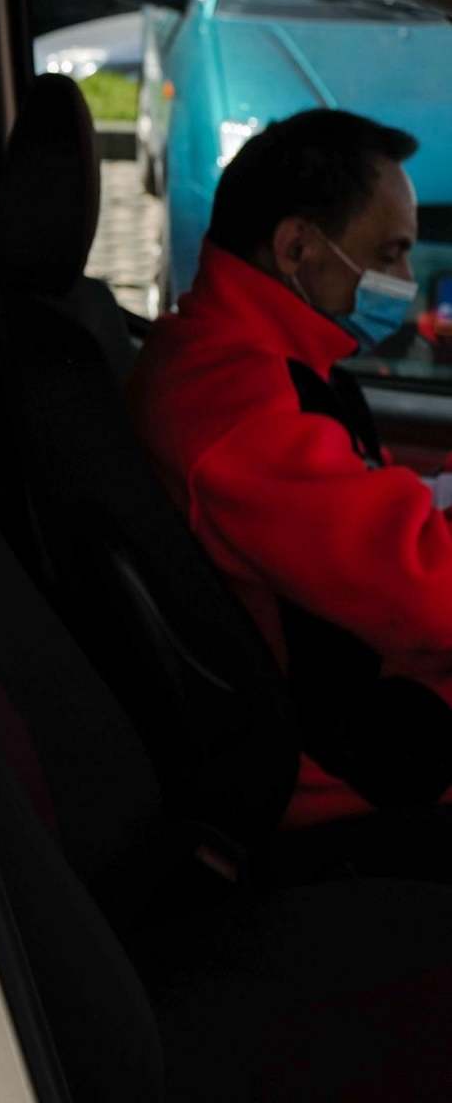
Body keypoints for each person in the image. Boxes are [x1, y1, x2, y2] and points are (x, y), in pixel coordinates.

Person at [129, 107, 452, 815]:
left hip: (367, 693)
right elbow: (432, 593)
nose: (404, 278)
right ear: (297, 246)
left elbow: (372, 511)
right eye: (390, 252)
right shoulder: (239, 401)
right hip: (343, 773)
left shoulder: (267, 360)